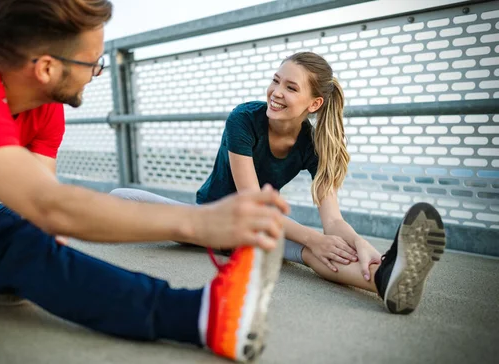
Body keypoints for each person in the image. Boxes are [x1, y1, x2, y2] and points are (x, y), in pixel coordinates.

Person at [0, 0, 292, 362]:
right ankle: (203, 316)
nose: (96, 73)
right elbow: (51, 207)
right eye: (93, 62)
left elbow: (39, 211)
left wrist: (44, 245)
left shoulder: (44, 110)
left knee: (20, 230)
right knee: (8, 243)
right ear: (47, 68)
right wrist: (202, 222)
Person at [110, 51, 447, 314]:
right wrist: (314, 238)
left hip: (257, 235)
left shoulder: (314, 146)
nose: (276, 92)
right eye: (276, 81)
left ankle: (384, 278)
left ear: (314, 104)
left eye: (290, 87)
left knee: (319, 252)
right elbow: (252, 202)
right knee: (122, 197)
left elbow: (333, 221)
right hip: (210, 222)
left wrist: (361, 246)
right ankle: (382, 268)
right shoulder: (244, 119)